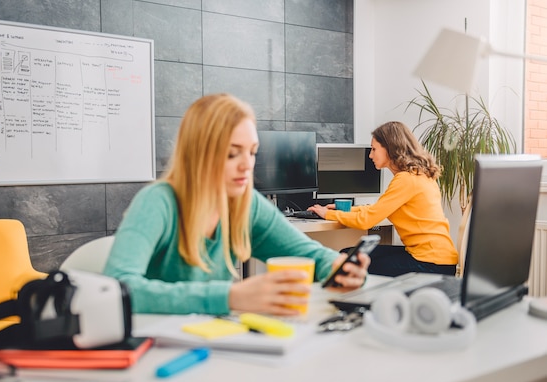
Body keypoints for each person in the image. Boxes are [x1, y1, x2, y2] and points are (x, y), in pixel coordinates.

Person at [103, 93, 370, 316]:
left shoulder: (245, 203)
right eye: (232, 153)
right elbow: (118, 288)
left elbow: (311, 255)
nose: (247, 165)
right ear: (197, 153)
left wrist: (341, 268)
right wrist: (229, 296)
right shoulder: (158, 202)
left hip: (212, 346)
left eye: (252, 152)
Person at [307, 121, 458, 277]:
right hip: (439, 259)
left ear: (390, 149)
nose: (370, 155)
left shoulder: (405, 179)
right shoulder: (419, 174)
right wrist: (344, 209)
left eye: (374, 149)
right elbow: (377, 209)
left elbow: (367, 220)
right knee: (350, 254)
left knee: (350, 260)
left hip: (430, 264)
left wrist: (327, 214)